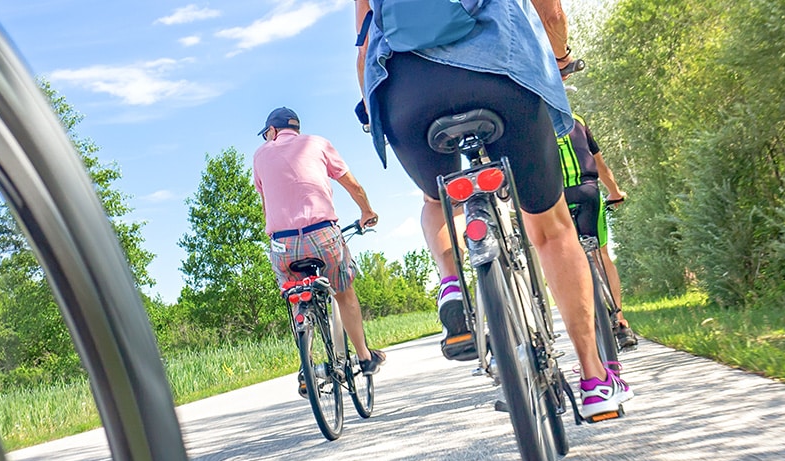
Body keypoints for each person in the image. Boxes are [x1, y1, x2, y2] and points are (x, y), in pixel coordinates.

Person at [354, 0, 632, 418]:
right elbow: (552, 15)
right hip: (500, 73)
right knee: (551, 228)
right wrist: (560, 59)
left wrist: (375, 112)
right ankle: (595, 378)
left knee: (438, 199)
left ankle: (451, 282)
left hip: (407, 92)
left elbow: (363, 49)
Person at [253, 107, 387, 388]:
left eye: (267, 134)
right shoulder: (317, 144)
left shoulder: (260, 155)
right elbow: (353, 186)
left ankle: (307, 368)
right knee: (344, 292)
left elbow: (266, 206)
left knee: (296, 297)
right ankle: (364, 357)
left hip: (283, 243)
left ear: (273, 131)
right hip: (322, 235)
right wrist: (367, 211)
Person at [557, 113, 639, 350]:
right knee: (600, 254)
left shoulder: (534, 121)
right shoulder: (576, 120)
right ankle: (621, 322)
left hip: (556, 199)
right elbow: (600, 166)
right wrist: (615, 192)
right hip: (587, 191)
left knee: (563, 260)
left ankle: (582, 328)